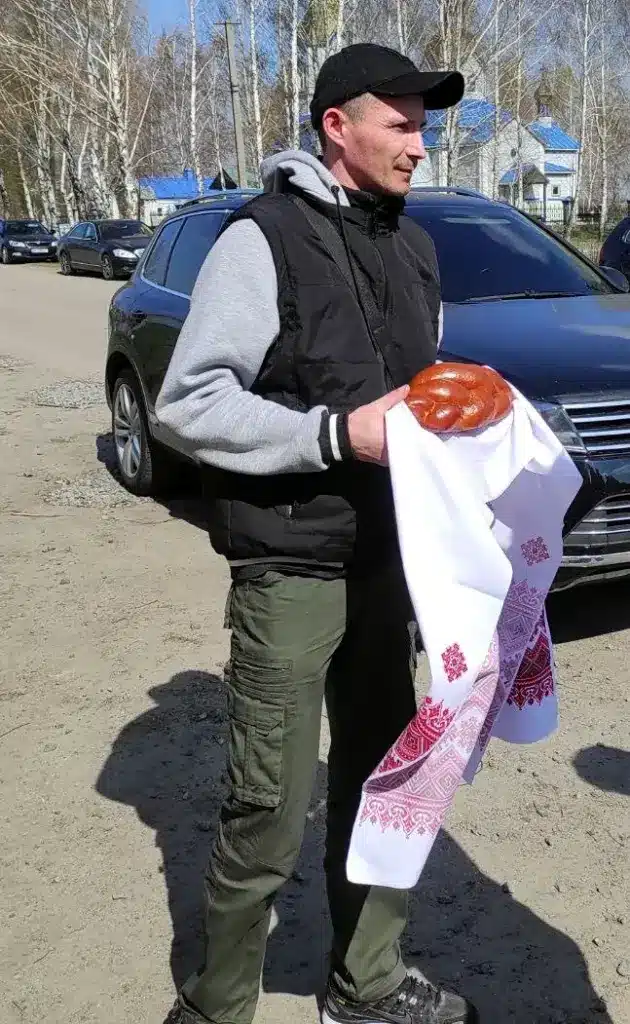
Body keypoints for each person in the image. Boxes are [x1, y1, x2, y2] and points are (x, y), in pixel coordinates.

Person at [157, 42, 475, 1024]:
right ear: (337, 126)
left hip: (390, 565)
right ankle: (216, 1006)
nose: (420, 145)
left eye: (424, 126)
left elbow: (409, 397)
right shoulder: (263, 239)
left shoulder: (415, 249)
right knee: (268, 807)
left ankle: (365, 984)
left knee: (388, 786)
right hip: (291, 565)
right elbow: (188, 401)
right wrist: (333, 435)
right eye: (402, 124)